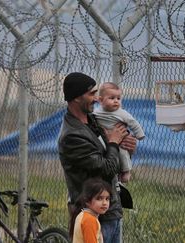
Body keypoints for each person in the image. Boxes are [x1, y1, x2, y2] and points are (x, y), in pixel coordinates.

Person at [58, 72, 137, 243]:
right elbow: (107, 169)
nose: (96, 99)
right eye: (91, 94)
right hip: (92, 215)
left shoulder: (93, 121)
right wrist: (114, 143)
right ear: (77, 97)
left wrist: (127, 149)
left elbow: (111, 156)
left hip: (110, 210)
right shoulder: (72, 136)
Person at [94, 82, 145, 183]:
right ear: (100, 100)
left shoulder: (121, 113)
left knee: (122, 152)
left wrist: (139, 135)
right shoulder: (96, 112)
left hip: (120, 139)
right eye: (112, 98)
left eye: (118, 98)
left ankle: (126, 171)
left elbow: (133, 122)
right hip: (103, 139)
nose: (116, 101)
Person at [70, 178, 113, 243]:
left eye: (107, 199)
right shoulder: (89, 220)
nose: (104, 203)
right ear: (87, 201)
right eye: (99, 198)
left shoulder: (83, 215)